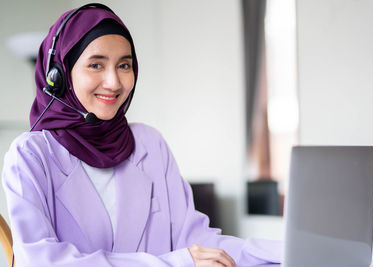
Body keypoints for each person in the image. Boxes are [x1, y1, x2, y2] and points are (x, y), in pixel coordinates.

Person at [2, 3, 282, 267]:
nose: (113, 82)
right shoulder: (30, 154)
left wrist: (291, 251)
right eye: (96, 65)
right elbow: (42, 261)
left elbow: (199, 244)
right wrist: (177, 263)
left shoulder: (149, 144)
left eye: (124, 65)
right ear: (59, 76)